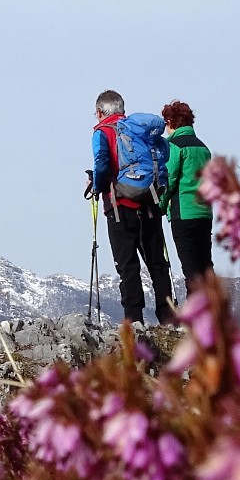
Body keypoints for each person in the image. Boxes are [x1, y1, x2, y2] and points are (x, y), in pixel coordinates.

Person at [89, 89, 177, 325]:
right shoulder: (140, 130)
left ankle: (134, 318)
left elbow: (102, 163)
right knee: (157, 261)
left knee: (127, 265)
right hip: (149, 200)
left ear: (99, 112)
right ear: (122, 109)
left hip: (120, 205)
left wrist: (96, 185)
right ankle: (168, 315)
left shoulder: (103, 132)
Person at [159, 100, 214, 295]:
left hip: (183, 211)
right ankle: (212, 312)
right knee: (205, 265)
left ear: (171, 122)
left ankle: (196, 314)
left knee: (190, 267)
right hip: (204, 212)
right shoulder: (203, 148)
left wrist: (160, 205)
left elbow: (169, 178)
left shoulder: (173, 146)